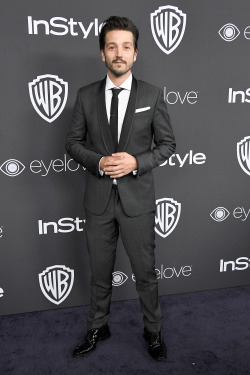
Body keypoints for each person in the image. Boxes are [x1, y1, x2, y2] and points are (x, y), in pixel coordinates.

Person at [65, 16, 176, 361]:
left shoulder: (153, 94)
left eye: (125, 46)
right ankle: (98, 325)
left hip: (137, 201)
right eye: (111, 46)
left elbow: (168, 145)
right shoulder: (85, 96)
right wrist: (98, 162)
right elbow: (72, 142)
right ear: (102, 53)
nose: (119, 53)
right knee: (99, 273)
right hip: (98, 202)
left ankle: (153, 331)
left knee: (145, 273)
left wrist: (136, 162)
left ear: (136, 53)